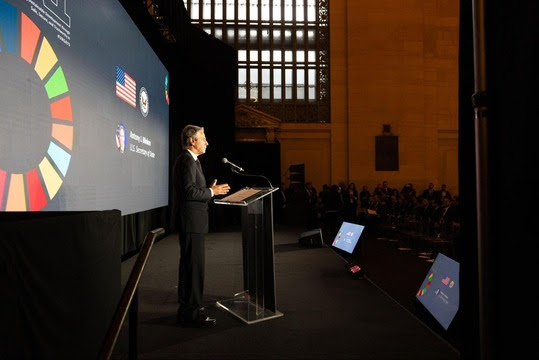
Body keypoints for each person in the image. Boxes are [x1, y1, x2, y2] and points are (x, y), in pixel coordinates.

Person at [171, 125, 230, 327]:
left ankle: (189, 310)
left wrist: (208, 190)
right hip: (191, 223)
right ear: (192, 141)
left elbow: (195, 190)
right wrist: (212, 192)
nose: (207, 142)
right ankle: (191, 314)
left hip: (194, 223)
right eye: (203, 138)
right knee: (193, 269)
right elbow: (189, 192)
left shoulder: (192, 161)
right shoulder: (186, 160)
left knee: (191, 268)